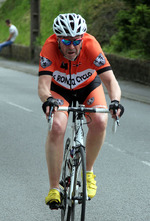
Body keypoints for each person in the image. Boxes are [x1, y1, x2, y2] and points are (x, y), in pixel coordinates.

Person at [38, 13, 124, 209]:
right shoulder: (49, 47)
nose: (71, 46)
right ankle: (54, 188)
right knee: (57, 127)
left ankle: (88, 172)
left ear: (82, 38)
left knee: (100, 121)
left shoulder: (91, 45)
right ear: (58, 39)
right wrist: (48, 100)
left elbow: (111, 81)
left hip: (88, 87)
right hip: (59, 90)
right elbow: (43, 86)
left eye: (76, 41)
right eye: (66, 41)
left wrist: (116, 101)